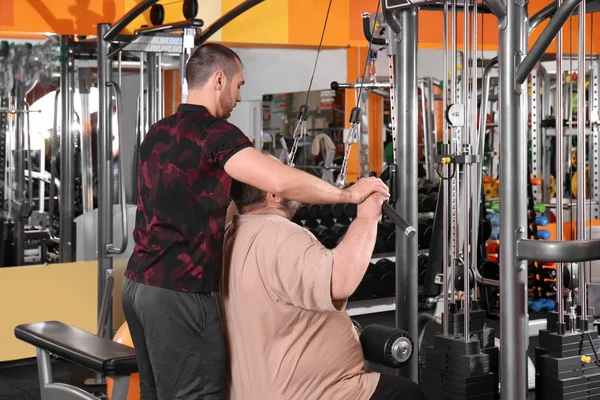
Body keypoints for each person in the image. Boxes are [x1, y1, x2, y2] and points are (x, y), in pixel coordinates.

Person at [121, 42, 389, 400]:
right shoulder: (215, 132)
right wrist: (349, 195)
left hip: (137, 285)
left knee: (156, 393)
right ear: (219, 79)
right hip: (178, 292)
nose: (237, 94)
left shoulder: (158, 132)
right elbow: (277, 181)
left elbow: (191, 199)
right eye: (238, 85)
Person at [220, 178, 426, 400]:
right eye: (285, 175)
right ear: (273, 194)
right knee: (408, 394)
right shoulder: (279, 234)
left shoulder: (232, 232)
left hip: (257, 390)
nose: (293, 177)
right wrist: (367, 217)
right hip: (314, 392)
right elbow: (339, 282)